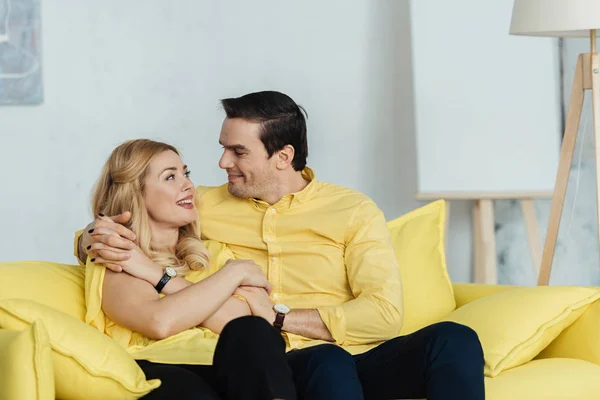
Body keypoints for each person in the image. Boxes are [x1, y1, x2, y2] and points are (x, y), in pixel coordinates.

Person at [76, 91, 485, 400]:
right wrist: (92, 236)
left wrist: (277, 318)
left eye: (237, 151)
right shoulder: (200, 203)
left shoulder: (352, 210)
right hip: (278, 362)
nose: (222, 163)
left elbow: (384, 315)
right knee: (326, 361)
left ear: (282, 156)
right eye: (222, 148)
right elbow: (137, 212)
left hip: (351, 356)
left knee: (454, 339)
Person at [82, 138, 349, 400]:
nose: (188, 185)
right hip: (162, 366)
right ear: (135, 193)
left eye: (186, 174)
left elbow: (245, 324)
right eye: (170, 177)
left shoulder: (213, 253)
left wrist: (158, 277)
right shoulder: (118, 255)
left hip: (230, 368)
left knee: (263, 338)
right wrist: (231, 276)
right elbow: (160, 322)